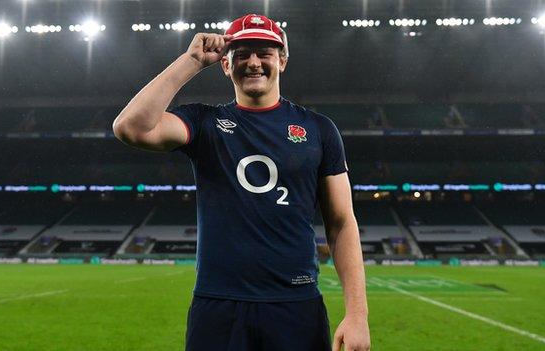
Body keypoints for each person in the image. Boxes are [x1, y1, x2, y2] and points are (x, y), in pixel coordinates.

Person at [113, 14, 370, 351]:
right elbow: (131, 128)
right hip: (218, 307)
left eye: (264, 52)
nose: (253, 63)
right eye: (242, 53)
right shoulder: (204, 123)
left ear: (282, 60)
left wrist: (357, 315)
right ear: (225, 64)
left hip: (296, 305)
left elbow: (340, 223)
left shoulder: (319, 129)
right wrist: (190, 61)